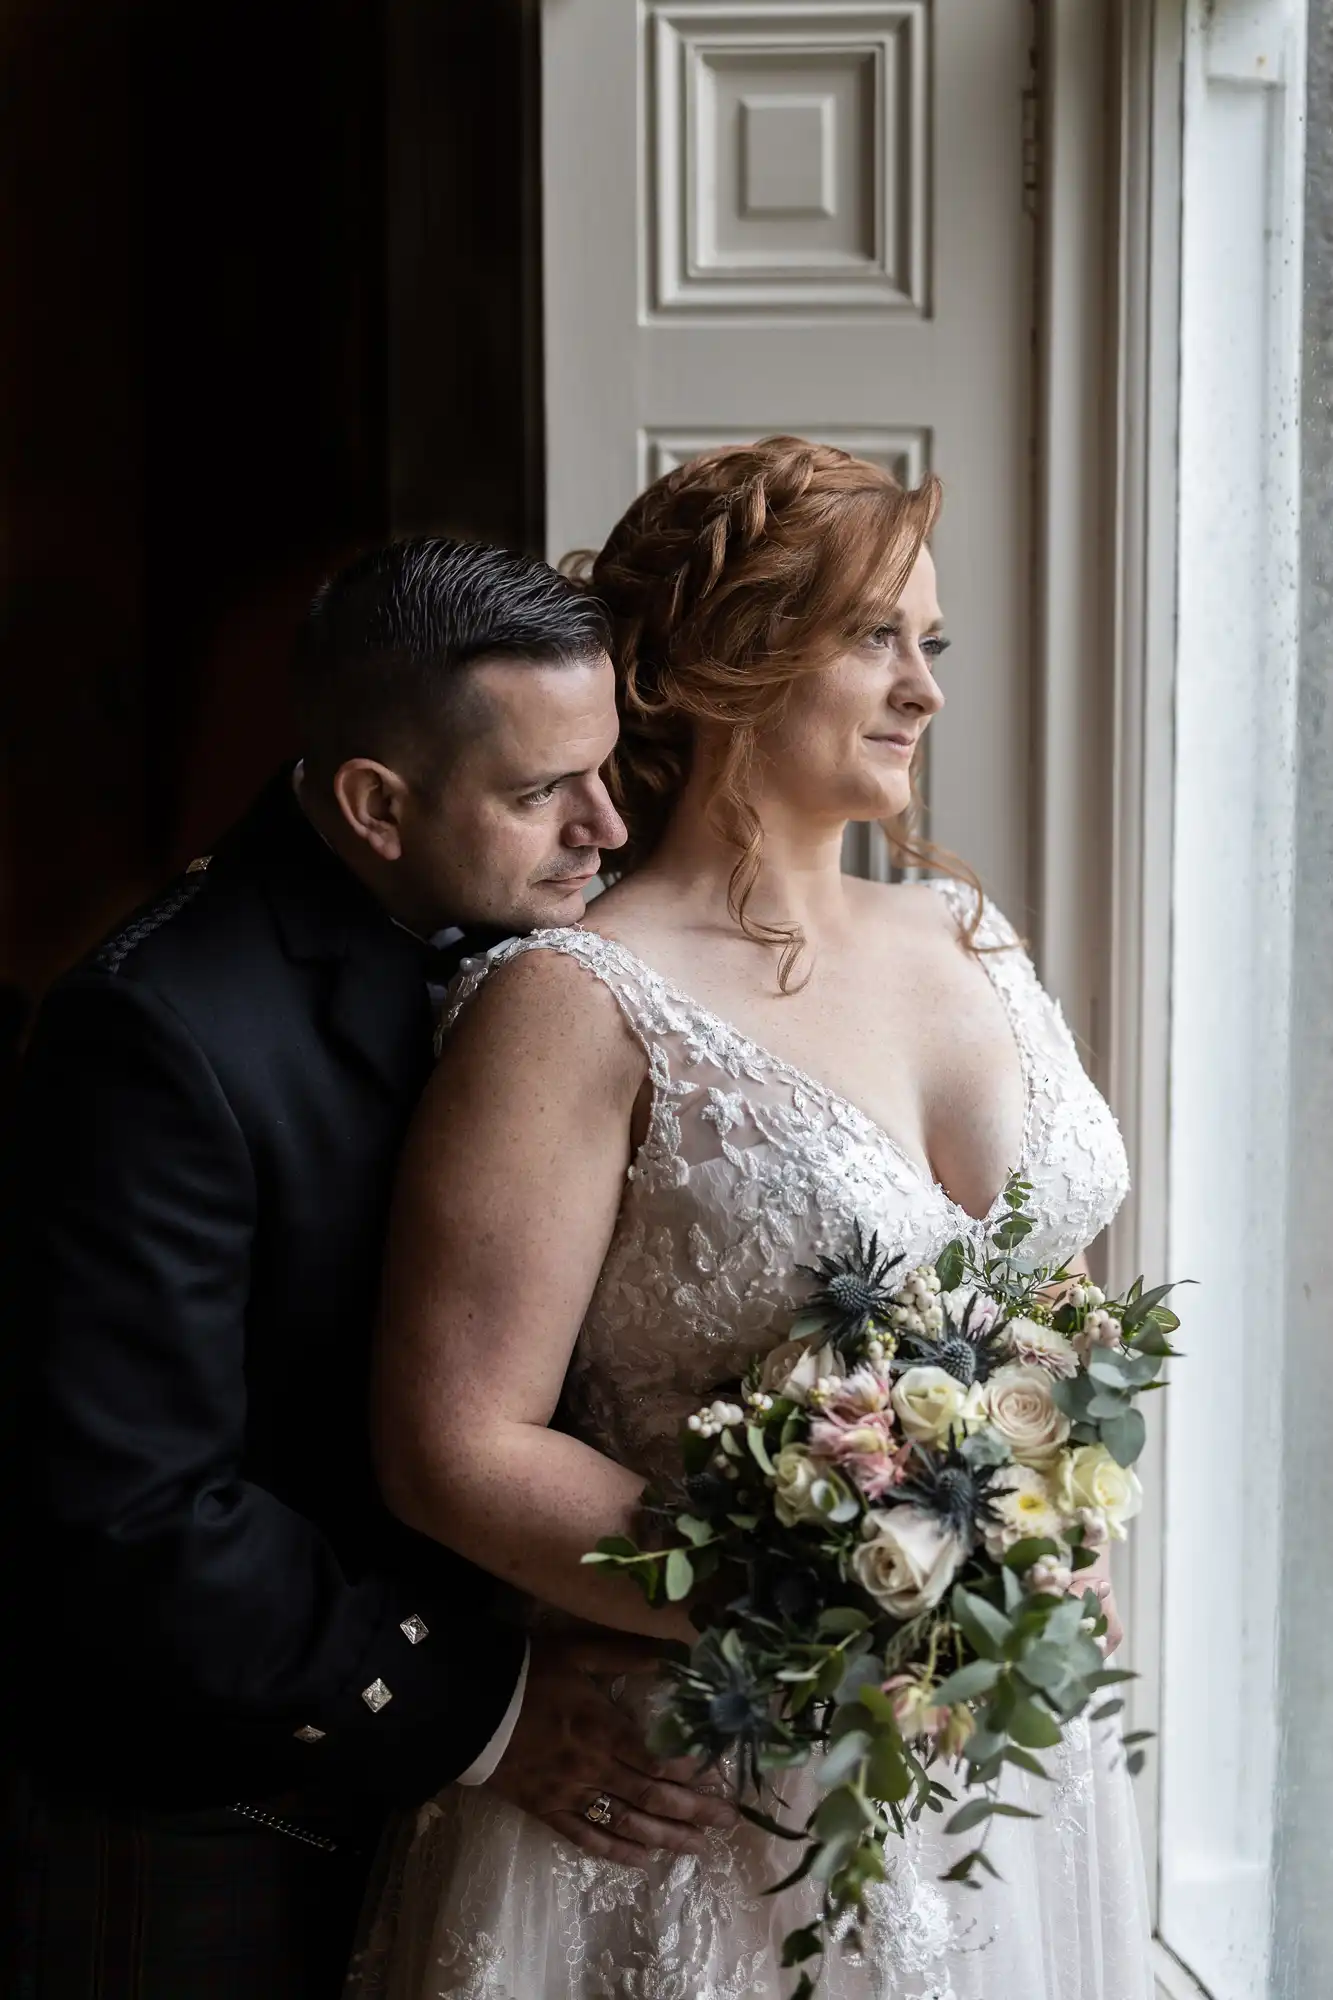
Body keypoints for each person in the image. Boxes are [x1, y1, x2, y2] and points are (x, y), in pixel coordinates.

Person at [355, 441, 1156, 1998]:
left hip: (1002, 1767)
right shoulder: (574, 998)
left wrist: (1030, 1548)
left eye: (930, 643)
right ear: (722, 663)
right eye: (872, 637)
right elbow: (454, 1441)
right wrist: (834, 1601)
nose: (922, 689)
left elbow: (1044, 1321)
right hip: (701, 1794)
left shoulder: (968, 936)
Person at [0, 538, 734, 2000]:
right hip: (226, 1806)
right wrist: (497, 1709)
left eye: (607, 769)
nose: (606, 825)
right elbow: (139, 1517)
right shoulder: (155, 1035)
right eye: (543, 792)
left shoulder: (573, 952)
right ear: (374, 805)